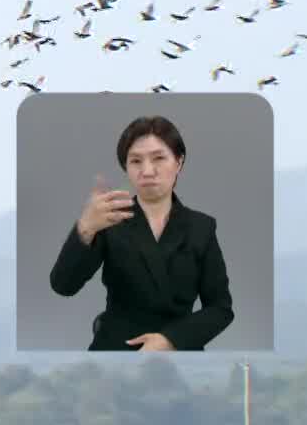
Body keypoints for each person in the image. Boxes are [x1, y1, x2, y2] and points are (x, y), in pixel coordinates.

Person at [48, 115, 235, 351]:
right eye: (136, 161)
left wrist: (171, 340)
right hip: (114, 352)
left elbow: (220, 308)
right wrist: (85, 228)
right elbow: (63, 286)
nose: (147, 171)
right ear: (125, 167)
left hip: (178, 355)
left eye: (159, 158)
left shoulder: (202, 227)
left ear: (178, 161)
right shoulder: (109, 220)